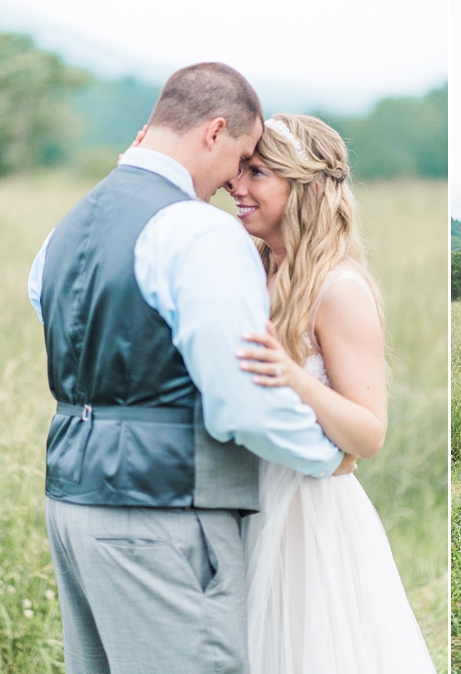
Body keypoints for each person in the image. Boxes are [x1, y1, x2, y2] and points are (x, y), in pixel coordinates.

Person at [27, 63, 355, 674]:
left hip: (71, 503)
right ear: (215, 132)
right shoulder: (198, 232)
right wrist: (327, 456)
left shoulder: (65, 229)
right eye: (243, 155)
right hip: (162, 514)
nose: (236, 179)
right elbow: (239, 401)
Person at [226, 114, 436, 673]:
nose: (235, 185)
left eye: (258, 172)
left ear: (307, 186)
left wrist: (292, 377)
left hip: (305, 516)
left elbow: (368, 433)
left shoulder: (339, 288)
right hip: (244, 501)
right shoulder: (252, 267)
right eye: (238, 169)